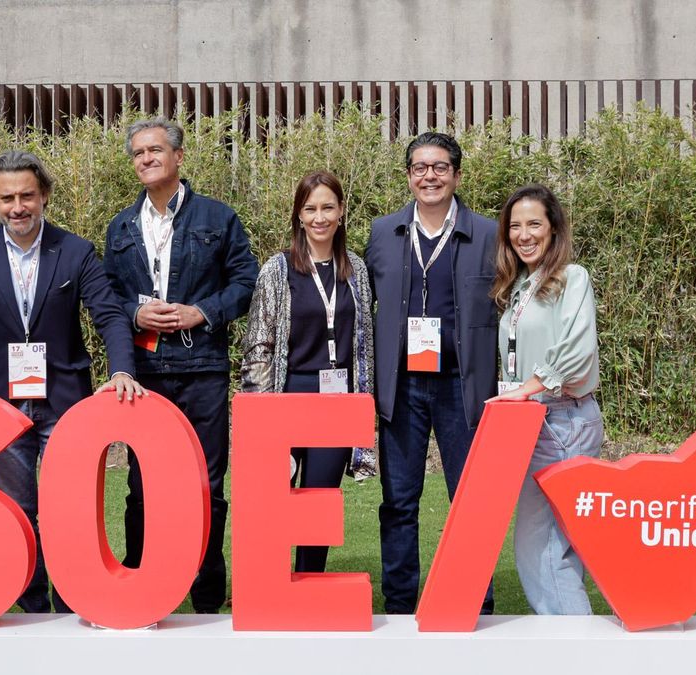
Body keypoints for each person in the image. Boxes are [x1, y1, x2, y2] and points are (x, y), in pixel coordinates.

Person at [0, 150, 143, 613]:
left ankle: (72, 605)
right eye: (7, 198)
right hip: (2, 405)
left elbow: (108, 316)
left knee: (70, 513)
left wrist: (122, 369)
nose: (18, 207)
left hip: (65, 401)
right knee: (17, 513)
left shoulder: (76, 251)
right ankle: (31, 606)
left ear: (44, 195)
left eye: (27, 195)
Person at [104, 117, 259, 613]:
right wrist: (135, 311)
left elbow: (246, 281)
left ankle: (207, 591)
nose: (146, 158)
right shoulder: (120, 227)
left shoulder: (218, 218)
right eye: (138, 153)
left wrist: (203, 312)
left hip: (202, 369)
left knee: (206, 484)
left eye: (156, 150)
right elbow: (108, 294)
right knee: (141, 484)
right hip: (144, 376)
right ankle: (138, 586)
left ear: (179, 157)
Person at [364, 131, 499, 614]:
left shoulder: (488, 233)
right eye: (420, 167)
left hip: (463, 388)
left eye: (440, 167)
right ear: (408, 176)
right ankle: (400, 604)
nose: (430, 176)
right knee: (399, 502)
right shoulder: (383, 233)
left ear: (457, 175)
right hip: (401, 389)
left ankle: (476, 602)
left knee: (469, 501)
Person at [240, 170, 374, 573]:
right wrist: (262, 412)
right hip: (287, 396)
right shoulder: (278, 270)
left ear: (341, 212)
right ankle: (272, 583)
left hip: (335, 404)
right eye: (310, 208)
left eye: (327, 207)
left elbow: (363, 344)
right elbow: (258, 344)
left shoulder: (357, 271)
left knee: (319, 500)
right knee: (277, 499)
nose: (319, 217)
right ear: (299, 215)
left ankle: (309, 582)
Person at [487, 183, 602, 615]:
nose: (524, 234)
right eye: (515, 226)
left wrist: (525, 389)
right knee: (552, 544)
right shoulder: (519, 287)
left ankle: (572, 649)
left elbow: (577, 351)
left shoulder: (572, 278)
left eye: (534, 223)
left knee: (546, 547)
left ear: (554, 229)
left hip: (561, 422)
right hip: (533, 424)